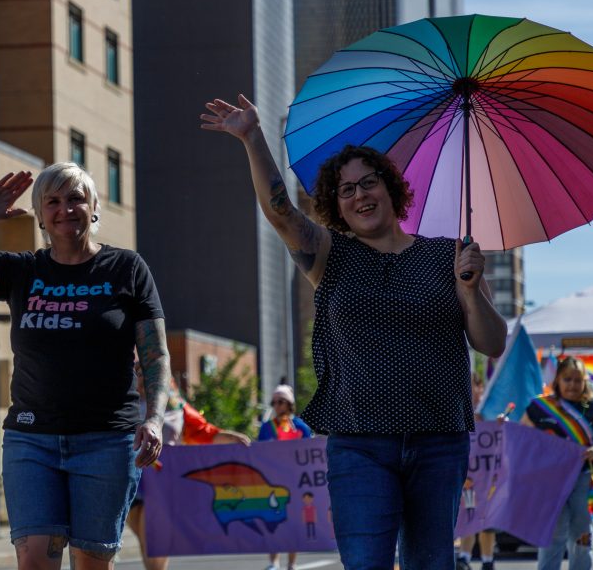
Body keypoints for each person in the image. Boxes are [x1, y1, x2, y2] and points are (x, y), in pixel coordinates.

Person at [201, 95, 507, 569]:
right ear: (335, 205)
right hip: (360, 443)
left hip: (439, 441)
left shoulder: (451, 254)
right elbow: (281, 213)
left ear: (391, 188)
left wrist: (469, 290)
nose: (360, 195)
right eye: (346, 191)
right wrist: (252, 137)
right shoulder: (330, 255)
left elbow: (493, 342)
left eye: (369, 182)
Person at [0, 163, 170, 570]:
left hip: (106, 441)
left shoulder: (127, 269)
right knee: (34, 561)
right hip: (31, 440)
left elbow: (155, 355)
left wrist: (155, 420)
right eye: (52, 201)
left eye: (75, 198)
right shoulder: (22, 271)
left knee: (91, 563)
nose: (65, 209)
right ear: (40, 215)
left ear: (93, 207)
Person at [126, 368, 250, 570]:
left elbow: (203, 431)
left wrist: (231, 437)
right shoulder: (125, 403)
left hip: (163, 480)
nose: (141, 377)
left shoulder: (175, 405)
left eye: (147, 371)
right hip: (132, 479)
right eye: (138, 373)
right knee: (146, 539)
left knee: (155, 539)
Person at [521, 356, 593, 570]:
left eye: (578, 380)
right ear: (557, 380)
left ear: (584, 381)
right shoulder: (540, 407)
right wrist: (502, 425)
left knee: (582, 536)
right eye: (567, 379)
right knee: (552, 534)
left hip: (585, 480)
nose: (572, 385)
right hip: (550, 482)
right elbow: (520, 436)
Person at [257, 385, 313, 570]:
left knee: (293, 523)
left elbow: (309, 453)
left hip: (296, 482)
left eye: (281, 401)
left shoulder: (301, 427)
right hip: (273, 482)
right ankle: (273, 562)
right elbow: (259, 452)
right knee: (273, 521)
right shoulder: (267, 427)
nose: (277, 405)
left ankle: (291, 563)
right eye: (274, 402)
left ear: (289, 404)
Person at [457, 371, 497, 570]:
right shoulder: (458, 412)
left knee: (487, 520)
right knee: (469, 516)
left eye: (475, 385)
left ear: (482, 388)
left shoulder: (489, 415)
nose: (473, 390)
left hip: (487, 480)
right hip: (468, 479)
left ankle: (487, 561)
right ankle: (464, 557)